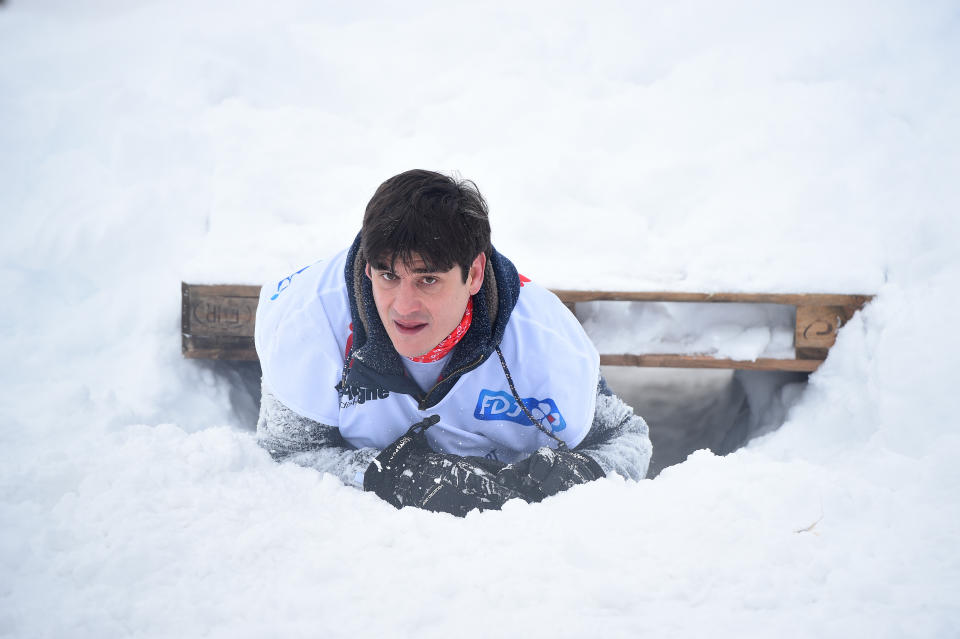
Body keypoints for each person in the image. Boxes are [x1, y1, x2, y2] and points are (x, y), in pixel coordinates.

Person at [255, 169, 651, 516]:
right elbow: (284, 456)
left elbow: (627, 438)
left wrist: (578, 473)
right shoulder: (309, 320)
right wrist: (390, 474)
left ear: (474, 273)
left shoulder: (544, 340)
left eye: (428, 279)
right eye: (388, 276)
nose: (404, 306)